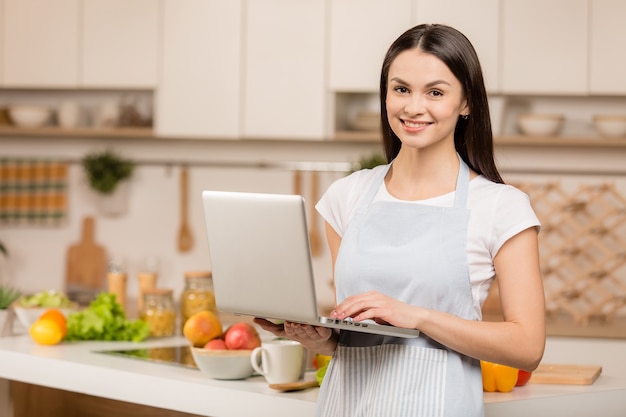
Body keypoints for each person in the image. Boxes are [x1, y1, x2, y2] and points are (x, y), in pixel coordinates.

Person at [255, 23, 545, 417]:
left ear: (466, 103)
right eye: (401, 88)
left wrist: (417, 317)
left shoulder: (501, 207)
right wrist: (319, 339)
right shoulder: (348, 197)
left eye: (436, 92)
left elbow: (528, 347)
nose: (413, 107)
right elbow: (353, 339)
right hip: (347, 404)